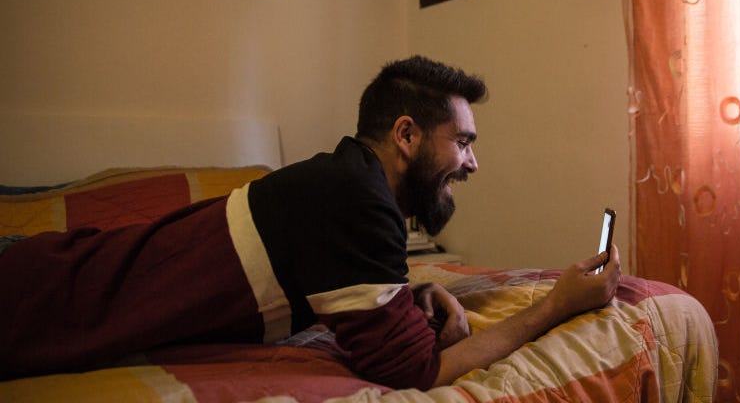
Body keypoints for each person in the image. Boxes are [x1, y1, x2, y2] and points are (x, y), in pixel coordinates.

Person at [0, 55, 621, 390]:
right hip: (36, 295)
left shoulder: (347, 184)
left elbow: (341, 287)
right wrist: (554, 307)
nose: (473, 162)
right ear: (406, 134)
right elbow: (416, 372)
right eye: (462, 141)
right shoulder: (357, 200)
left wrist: (415, 292)